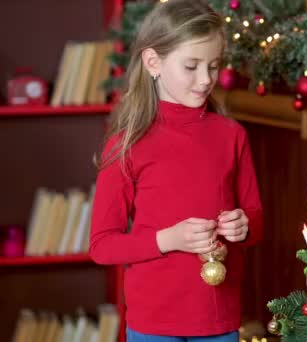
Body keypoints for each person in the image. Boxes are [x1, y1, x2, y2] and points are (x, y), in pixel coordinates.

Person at [89, 1, 263, 341]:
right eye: (191, 66)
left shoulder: (231, 135)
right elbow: (102, 246)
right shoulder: (128, 144)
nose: (206, 79)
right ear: (153, 62)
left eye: (213, 66)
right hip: (153, 322)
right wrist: (168, 240)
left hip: (218, 318)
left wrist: (243, 225)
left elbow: (255, 220)